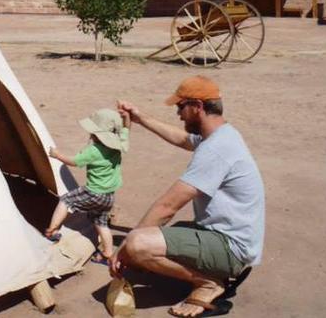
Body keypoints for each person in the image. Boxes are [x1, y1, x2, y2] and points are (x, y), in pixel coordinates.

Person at [111, 76, 264, 318]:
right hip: (229, 238)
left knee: (139, 243)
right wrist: (141, 119)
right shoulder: (222, 134)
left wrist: (126, 249)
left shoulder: (216, 149)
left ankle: (208, 283)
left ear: (197, 106)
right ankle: (212, 272)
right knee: (157, 237)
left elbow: (168, 206)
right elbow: (183, 139)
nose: (178, 114)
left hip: (231, 247)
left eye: (180, 107)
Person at [46, 108, 130, 264]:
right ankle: (107, 253)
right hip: (109, 196)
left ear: (95, 133)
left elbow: (74, 161)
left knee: (66, 200)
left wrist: (57, 155)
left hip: (93, 192)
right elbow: (125, 131)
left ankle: (53, 230)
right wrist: (126, 119)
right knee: (101, 223)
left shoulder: (93, 151)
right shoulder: (118, 147)